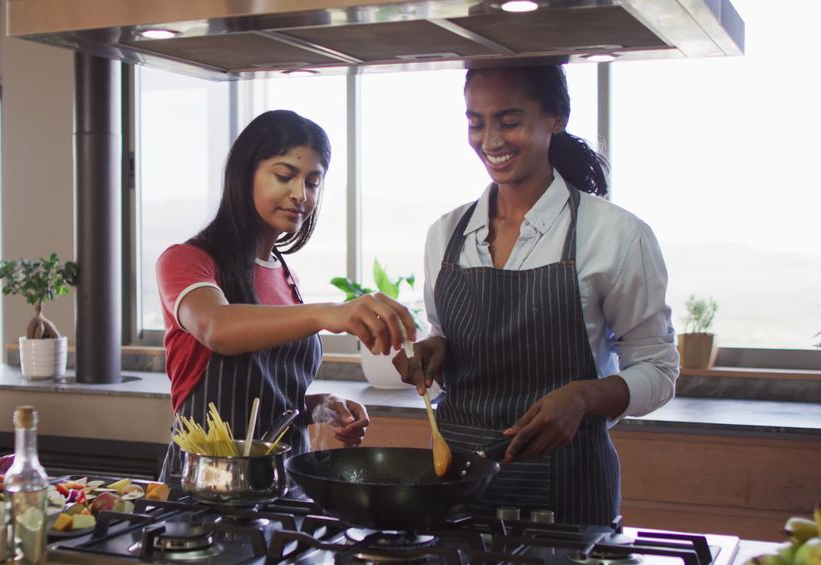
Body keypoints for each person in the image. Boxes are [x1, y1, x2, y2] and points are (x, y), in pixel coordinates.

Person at [394, 65, 678, 525]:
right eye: (476, 122)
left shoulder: (615, 235)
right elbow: (444, 332)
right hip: (455, 497)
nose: (490, 141)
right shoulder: (446, 235)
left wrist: (585, 397)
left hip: (569, 501)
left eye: (509, 121)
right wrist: (434, 351)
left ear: (556, 118)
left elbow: (659, 370)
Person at [156, 109, 416, 482]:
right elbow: (218, 328)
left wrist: (318, 407)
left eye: (312, 182)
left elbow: (264, 402)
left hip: (279, 485)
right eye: (284, 176)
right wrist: (328, 314)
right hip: (206, 487)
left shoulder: (282, 273)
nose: (300, 195)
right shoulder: (187, 261)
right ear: (245, 175)